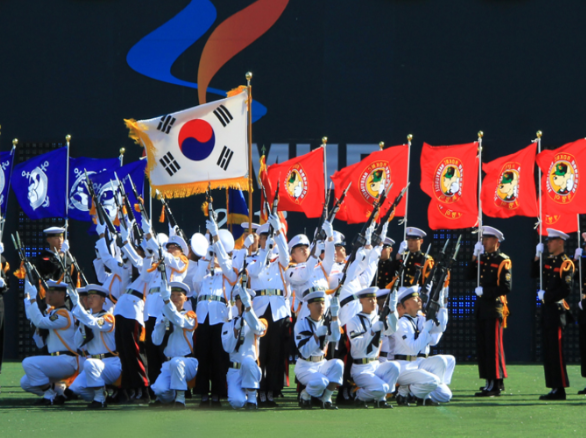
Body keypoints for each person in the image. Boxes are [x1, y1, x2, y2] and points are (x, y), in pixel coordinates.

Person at [192, 218, 237, 408]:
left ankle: (218, 393)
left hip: (220, 318)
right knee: (202, 356)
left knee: (219, 358)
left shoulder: (229, 274)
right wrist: (206, 256)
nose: (215, 258)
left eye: (217, 255)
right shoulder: (204, 274)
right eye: (213, 255)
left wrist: (216, 245)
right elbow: (195, 282)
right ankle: (203, 393)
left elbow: (229, 269)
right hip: (202, 318)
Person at [247, 214, 291, 406]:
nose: (267, 240)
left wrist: (279, 232)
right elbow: (254, 272)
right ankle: (258, 390)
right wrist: (264, 250)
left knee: (275, 353)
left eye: (269, 236)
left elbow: (286, 257)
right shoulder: (253, 258)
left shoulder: (280, 258)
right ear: (260, 239)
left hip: (278, 310)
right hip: (260, 308)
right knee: (260, 353)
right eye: (264, 237)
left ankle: (271, 391)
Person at [20, 280, 80, 405]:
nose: (48, 295)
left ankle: (49, 394)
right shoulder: (51, 313)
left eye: (52, 292)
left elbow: (40, 322)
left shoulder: (63, 314)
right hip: (57, 362)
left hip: (67, 361)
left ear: (63, 295)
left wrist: (32, 300)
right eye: (47, 291)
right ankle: (59, 391)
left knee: (28, 363)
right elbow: (40, 343)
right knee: (26, 382)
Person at [468, 226, 511, 397]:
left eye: (487, 239)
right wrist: (474, 255)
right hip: (481, 308)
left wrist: (485, 292)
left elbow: (506, 287)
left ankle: (495, 383)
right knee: (483, 347)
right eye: (483, 239)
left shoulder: (503, 260)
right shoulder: (482, 258)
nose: (483, 242)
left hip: (493, 308)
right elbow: (468, 275)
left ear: (496, 241)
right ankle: (489, 381)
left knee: (493, 347)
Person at [391, 285, 452, 405]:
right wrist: (425, 330)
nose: (419, 299)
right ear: (406, 304)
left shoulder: (420, 319)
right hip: (404, 367)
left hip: (417, 365)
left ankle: (422, 394)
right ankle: (406, 391)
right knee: (433, 380)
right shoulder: (401, 324)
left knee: (441, 361)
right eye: (415, 298)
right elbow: (413, 348)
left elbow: (440, 328)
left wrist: (441, 306)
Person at [532, 228, 575, 400]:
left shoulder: (566, 263)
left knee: (556, 352)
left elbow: (567, 289)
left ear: (560, 242)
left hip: (557, 312)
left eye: (551, 241)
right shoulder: (550, 261)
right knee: (548, 352)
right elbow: (534, 274)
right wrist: (537, 257)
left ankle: (560, 388)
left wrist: (547, 296)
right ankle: (553, 387)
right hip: (547, 312)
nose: (548, 243)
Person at [346, 286, 400, 408]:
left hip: (375, 365)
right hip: (361, 368)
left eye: (375, 298)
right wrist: (371, 331)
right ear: (361, 301)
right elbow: (359, 345)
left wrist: (392, 310)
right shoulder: (354, 321)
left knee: (394, 366)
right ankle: (358, 395)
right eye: (369, 299)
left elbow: (392, 330)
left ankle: (380, 398)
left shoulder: (378, 318)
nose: (373, 302)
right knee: (383, 387)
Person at [69, 284, 121, 409]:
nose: (90, 299)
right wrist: (82, 322)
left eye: (94, 296)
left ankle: (100, 399)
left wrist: (78, 307)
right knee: (76, 388)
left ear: (103, 300)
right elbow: (77, 343)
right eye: (88, 296)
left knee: (90, 364)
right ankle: (103, 392)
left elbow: (94, 323)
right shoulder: (86, 318)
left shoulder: (108, 318)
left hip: (111, 364)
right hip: (93, 364)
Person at [150, 281, 198, 408]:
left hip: (187, 362)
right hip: (168, 363)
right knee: (160, 390)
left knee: (177, 362)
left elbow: (180, 322)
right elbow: (156, 341)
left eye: (179, 295)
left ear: (185, 298)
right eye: (172, 295)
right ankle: (172, 395)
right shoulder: (162, 315)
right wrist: (161, 324)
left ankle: (180, 398)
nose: (175, 298)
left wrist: (166, 302)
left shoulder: (190, 315)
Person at [294, 290, 343, 409]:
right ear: (309, 306)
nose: (320, 306)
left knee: (338, 364)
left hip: (321, 362)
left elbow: (336, 337)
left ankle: (326, 398)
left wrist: (335, 317)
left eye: (322, 303)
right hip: (305, 365)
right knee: (321, 382)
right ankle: (305, 395)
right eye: (316, 303)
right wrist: (316, 336)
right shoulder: (301, 324)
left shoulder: (328, 322)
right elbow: (304, 351)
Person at [221, 285, 267, 409]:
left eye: (246, 299)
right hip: (234, 370)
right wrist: (236, 329)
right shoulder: (228, 325)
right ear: (236, 302)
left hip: (250, 368)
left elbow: (258, 329)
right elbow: (228, 348)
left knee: (247, 361)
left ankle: (252, 399)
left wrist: (247, 308)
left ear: (251, 302)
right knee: (237, 402)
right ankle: (244, 396)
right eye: (240, 299)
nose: (242, 302)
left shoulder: (260, 321)